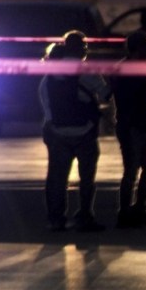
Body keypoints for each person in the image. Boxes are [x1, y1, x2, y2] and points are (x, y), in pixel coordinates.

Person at [39, 30, 113, 231]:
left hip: (57, 132)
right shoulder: (87, 71)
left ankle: (56, 219)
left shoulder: (50, 75)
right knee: (86, 178)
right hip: (84, 132)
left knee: (57, 178)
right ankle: (84, 217)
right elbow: (105, 95)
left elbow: (47, 106)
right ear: (81, 49)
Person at [109, 30, 146, 228]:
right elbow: (131, 100)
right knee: (132, 170)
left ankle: (138, 209)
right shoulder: (125, 70)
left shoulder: (136, 68)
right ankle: (126, 213)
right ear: (136, 49)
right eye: (145, 48)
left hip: (142, 124)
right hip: (132, 126)